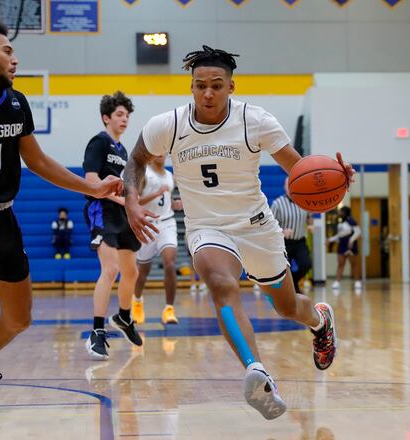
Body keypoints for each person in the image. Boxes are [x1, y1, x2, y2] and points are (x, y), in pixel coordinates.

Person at [123, 45, 349, 421]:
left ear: (231, 86)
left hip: (256, 226)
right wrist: (132, 199)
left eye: (216, 85)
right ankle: (257, 373)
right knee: (218, 282)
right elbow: (136, 160)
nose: (207, 93)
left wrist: (338, 180)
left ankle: (319, 320)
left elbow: (300, 169)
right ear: (191, 87)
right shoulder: (170, 125)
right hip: (207, 228)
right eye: (199, 86)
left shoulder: (255, 121)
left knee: (288, 307)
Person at [0, 14, 121, 436]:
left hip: (2, 219)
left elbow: (38, 162)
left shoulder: (16, 102)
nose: (15, 58)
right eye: (7, 50)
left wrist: (94, 190)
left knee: (18, 318)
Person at [82, 91, 143, 361]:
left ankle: (124, 317)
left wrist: (132, 202)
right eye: (119, 114)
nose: (124, 119)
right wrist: (118, 198)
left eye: (127, 115)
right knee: (111, 270)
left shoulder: (122, 150)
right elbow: (91, 181)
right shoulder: (99, 143)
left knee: (131, 272)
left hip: (120, 213)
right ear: (106, 118)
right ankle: (97, 331)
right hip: (102, 211)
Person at [132, 154, 183, 325]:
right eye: (157, 151)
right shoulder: (144, 174)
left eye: (164, 151)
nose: (161, 154)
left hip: (167, 223)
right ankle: (137, 302)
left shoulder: (170, 176)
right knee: (142, 272)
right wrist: (156, 194)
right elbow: (136, 202)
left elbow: (167, 200)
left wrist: (175, 204)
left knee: (170, 263)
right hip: (147, 224)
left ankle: (169, 309)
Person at [271, 178, 312, 292]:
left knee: (306, 264)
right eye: (287, 185)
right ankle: (291, 289)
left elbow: (309, 217)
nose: (289, 187)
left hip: (300, 241)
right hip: (284, 243)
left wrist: (310, 225)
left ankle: (294, 282)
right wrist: (282, 230)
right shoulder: (277, 203)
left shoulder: (304, 201)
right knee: (283, 269)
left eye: (292, 185)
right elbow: (270, 225)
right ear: (284, 187)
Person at [328, 206, 362, 291]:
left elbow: (358, 232)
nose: (339, 213)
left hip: (351, 245)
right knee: (340, 264)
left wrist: (351, 240)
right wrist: (330, 239)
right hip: (342, 245)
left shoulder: (351, 221)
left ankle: (357, 281)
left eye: (341, 212)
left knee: (354, 264)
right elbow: (340, 235)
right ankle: (337, 282)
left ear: (345, 212)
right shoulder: (340, 222)